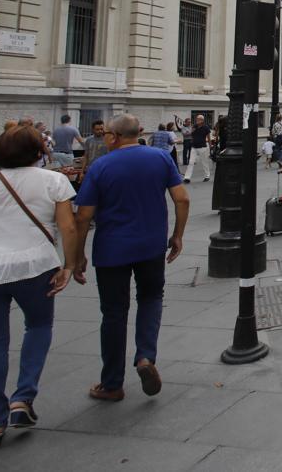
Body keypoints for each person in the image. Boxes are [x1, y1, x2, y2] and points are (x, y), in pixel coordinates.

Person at [0, 124, 80, 448]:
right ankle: (22, 398)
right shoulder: (54, 181)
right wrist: (69, 265)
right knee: (38, 326)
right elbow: (68, 227)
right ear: (40, 153)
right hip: (35, 267)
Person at [74, 114, 188, 402]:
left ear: (112, 137)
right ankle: (145, 357)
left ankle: (112, 383)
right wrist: (177, 235)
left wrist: (76, 256)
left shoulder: (100, 166)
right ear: (138, 133)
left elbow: (84, 216)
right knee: (150, 299)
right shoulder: (160, 158)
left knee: (113, 312)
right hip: (151, 247)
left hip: (112, 250)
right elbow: (182, 199)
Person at [183, 114, 212, 183]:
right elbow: (191, 134)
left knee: (204, 162)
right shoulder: (194, 126)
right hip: (194, 147)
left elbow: (208, 137)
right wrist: (192, 131)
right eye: (197, 119)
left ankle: (207, 176)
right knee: (190, 162)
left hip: (202, 147)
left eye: (198, 119)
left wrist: (210, 146)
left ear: (202, 120)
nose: (197, 120)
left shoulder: (206, 127)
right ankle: (187, 177)